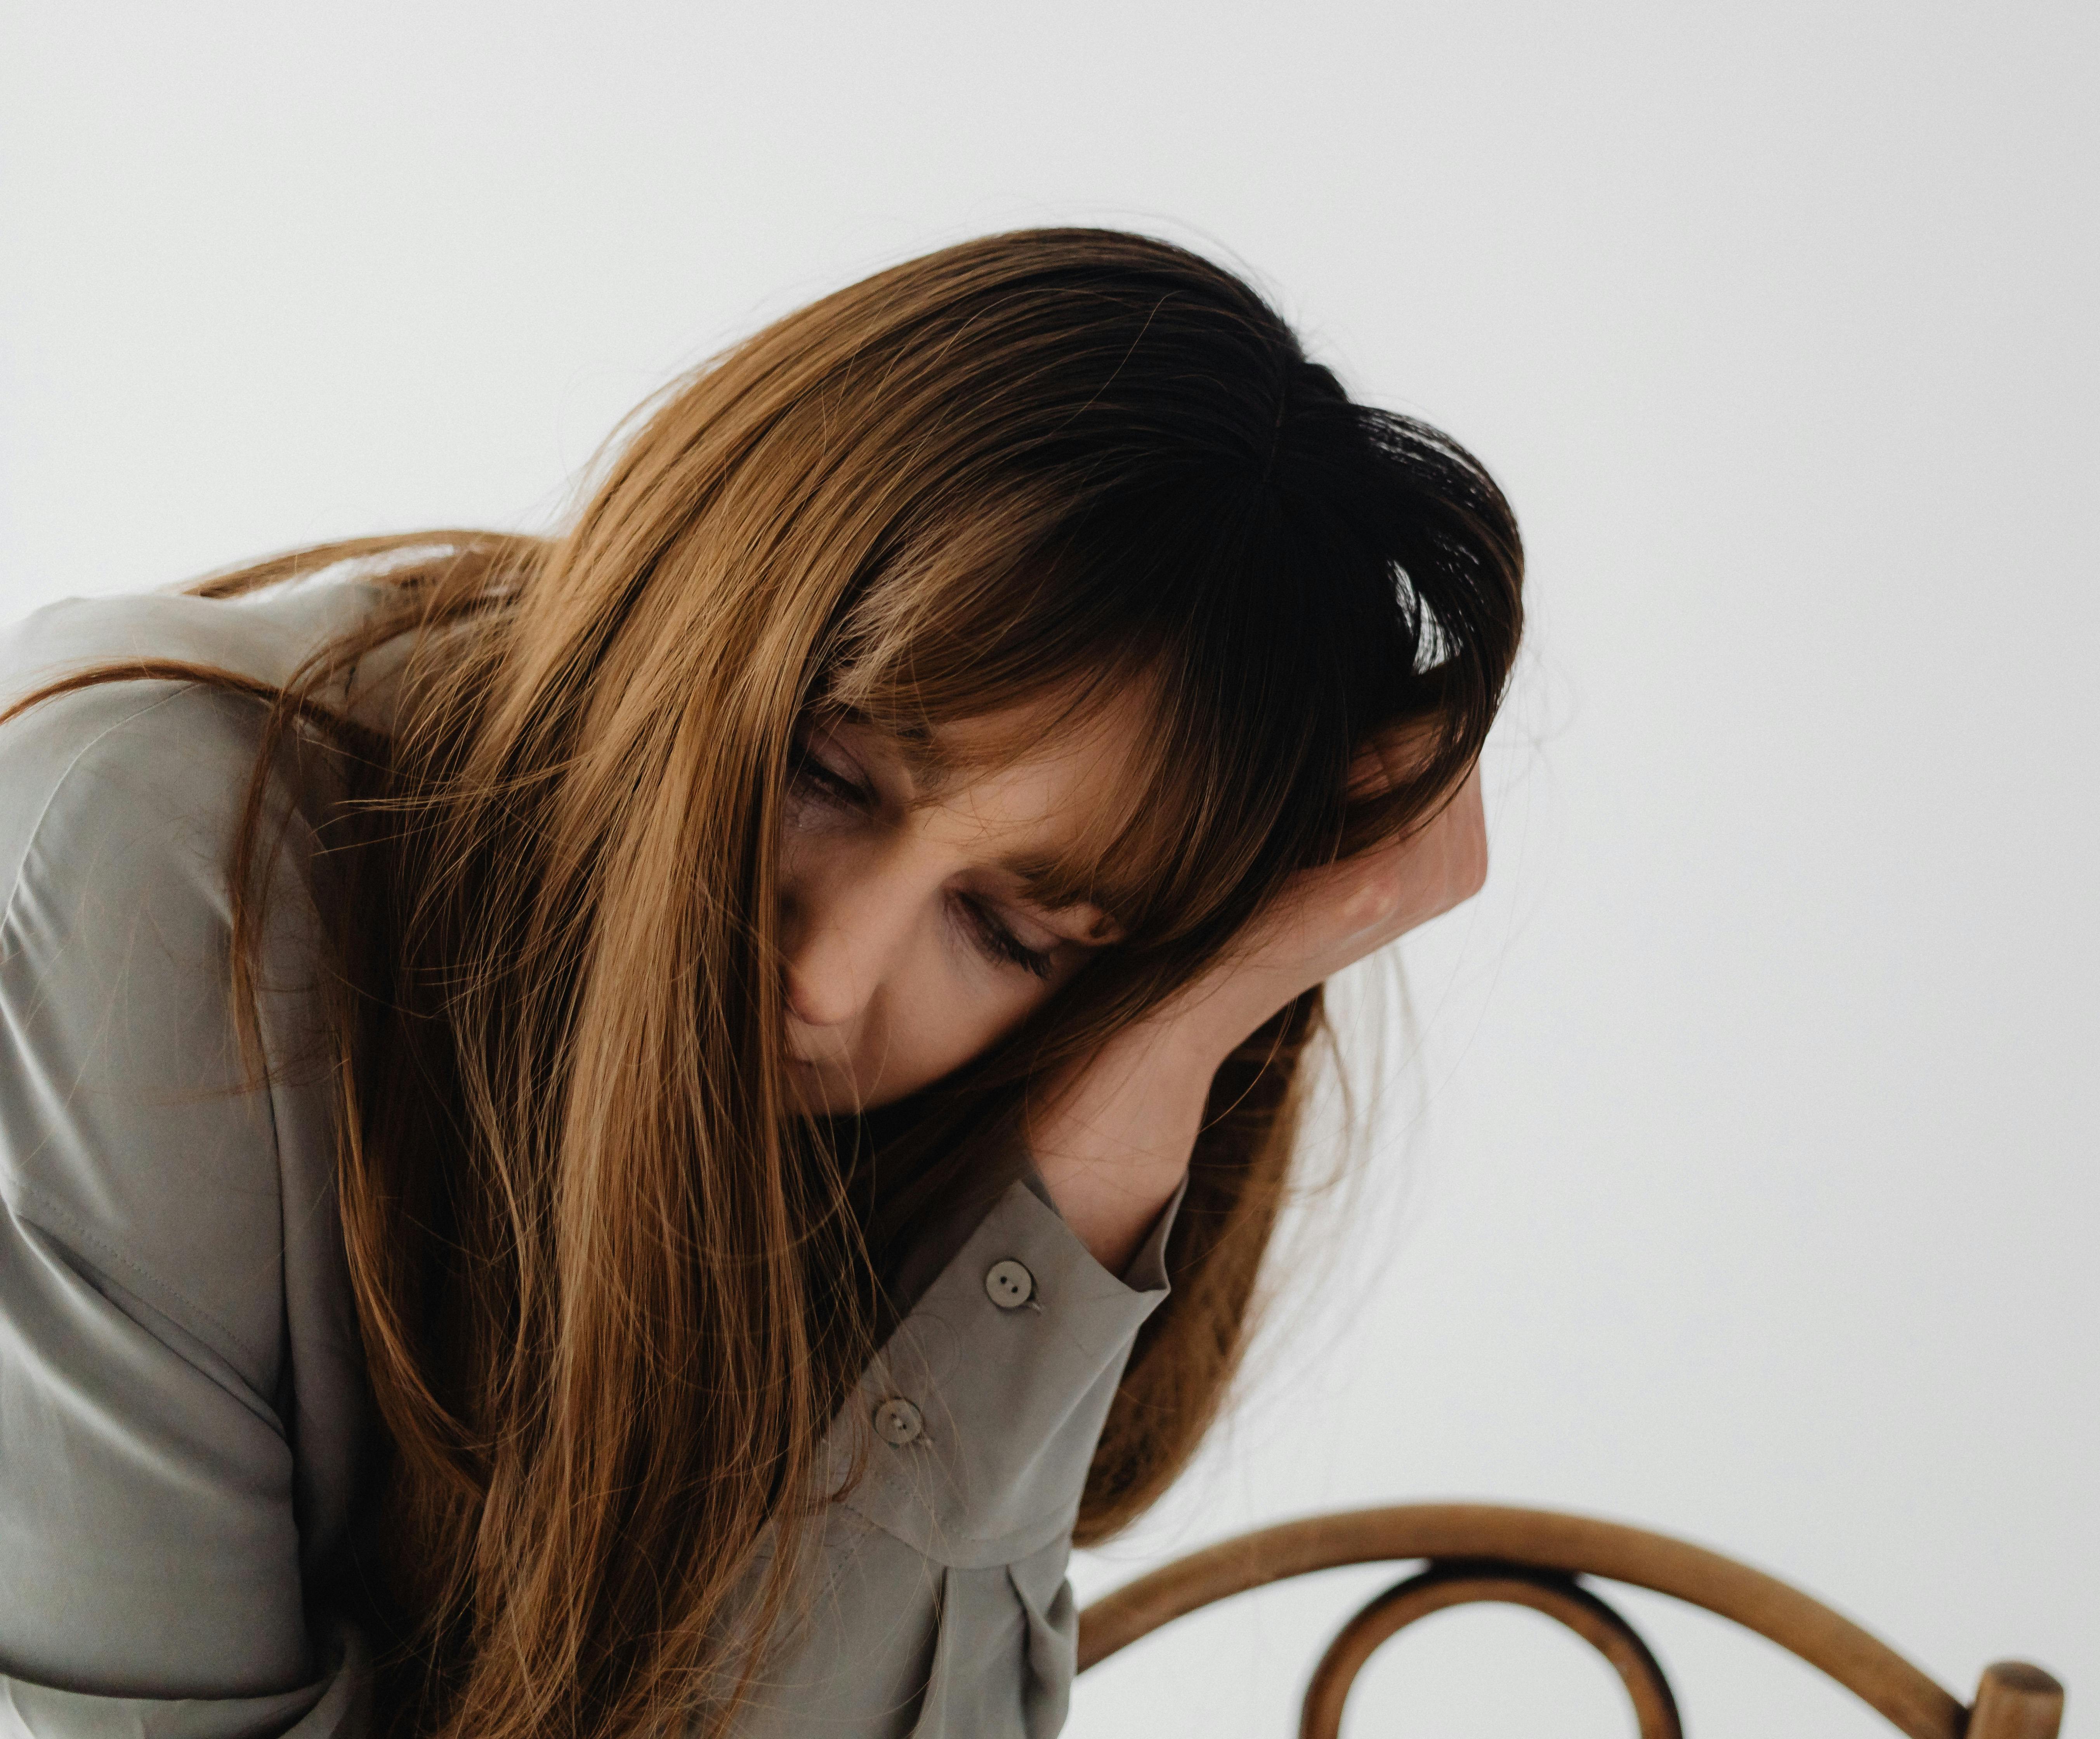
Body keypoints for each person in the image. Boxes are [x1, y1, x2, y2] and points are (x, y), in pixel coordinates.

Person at [0, 229, 1524, 1738]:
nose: (826, 973)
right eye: (828, 771)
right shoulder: (144, 849)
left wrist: (1158, 1051)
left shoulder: (939, 1130)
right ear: (707, 591)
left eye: (1008, 931)